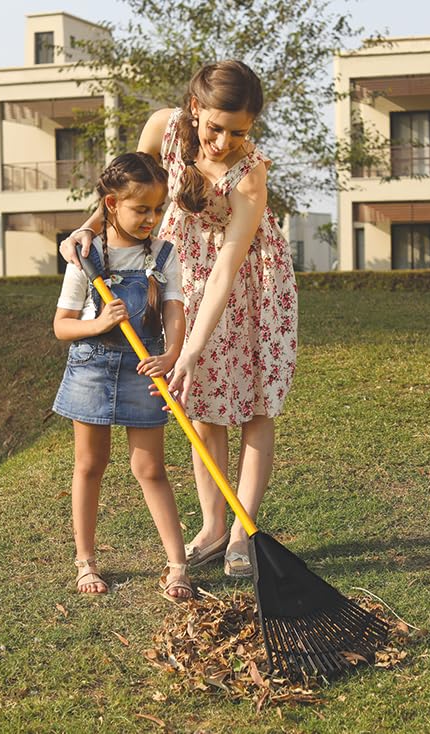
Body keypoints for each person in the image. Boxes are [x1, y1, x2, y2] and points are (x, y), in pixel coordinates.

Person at [60, 60, 297, 578]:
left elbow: (229, 267)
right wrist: (86, 228)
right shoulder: (162, 127)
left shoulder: (249, 174)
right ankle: (213, 525)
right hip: (186, 269)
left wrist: (190, 347)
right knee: (202, 400)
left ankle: (242, 533)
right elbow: (128, 188)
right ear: (195, 109)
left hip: (251, 284)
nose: (223, 142)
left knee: (255, 404)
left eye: (239, 132)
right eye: (215, 128)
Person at [52, 151, 192, 599]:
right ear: (111, 205)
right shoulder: (86, 256)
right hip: (91, 366)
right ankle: (86, 562)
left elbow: (174, 308)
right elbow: (62, 325)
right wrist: (99, 323)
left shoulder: (163, 254)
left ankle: (177, 565)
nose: (152, 218)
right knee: (90, 465)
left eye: (157, 209)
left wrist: (171, 354)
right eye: (141, 209)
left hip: (142, 369)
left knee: (149, 467)